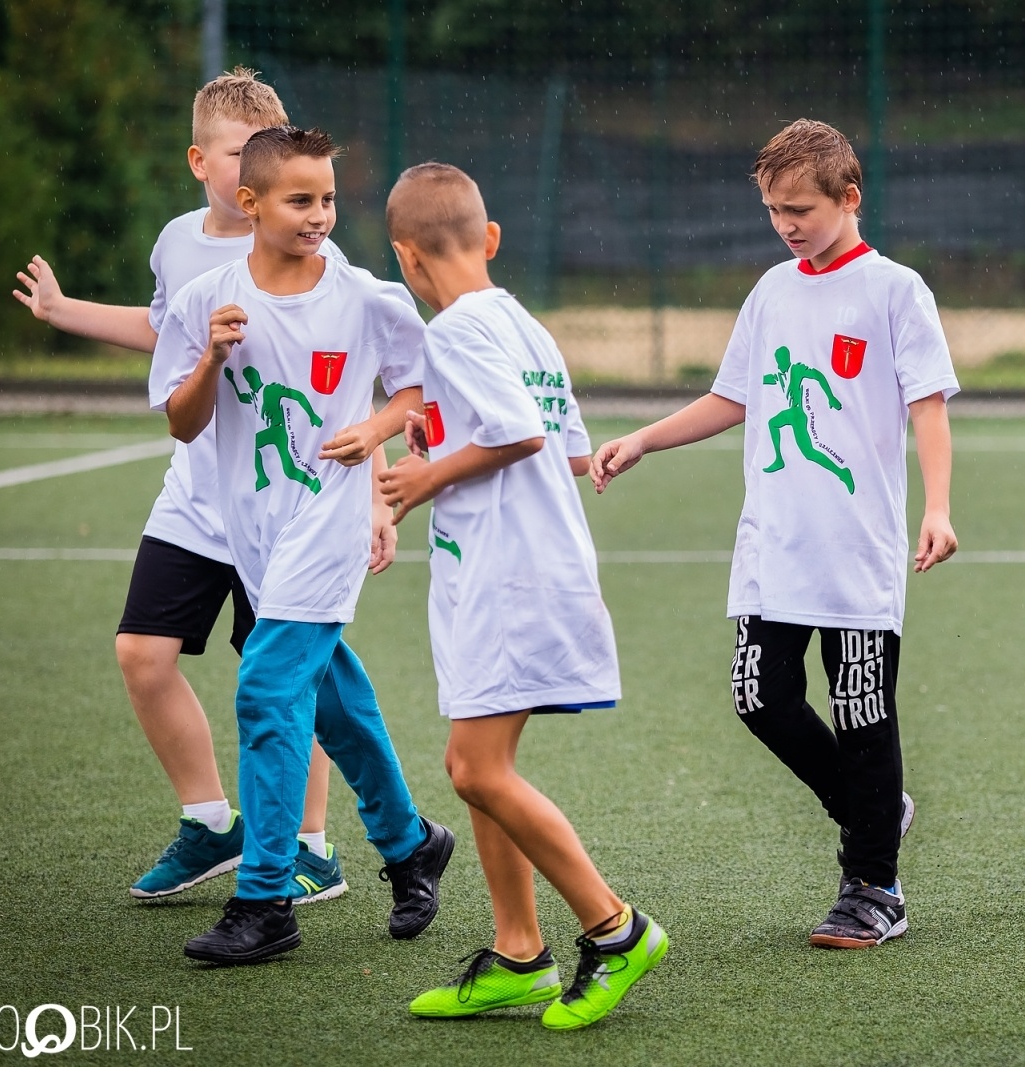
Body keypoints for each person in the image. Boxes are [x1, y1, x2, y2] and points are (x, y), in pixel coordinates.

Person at [590, 119, 958, 949]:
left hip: (857, 549)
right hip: (774, 544)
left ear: (849, 198)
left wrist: (937, 506)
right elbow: (734, 398)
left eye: (800, 208)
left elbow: (927, 405)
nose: (786, 224)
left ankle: (875, 887)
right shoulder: (772, 291)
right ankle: (874, 814)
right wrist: (645, 436)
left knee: (864, 712)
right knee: (760, 696)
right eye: (773, 210)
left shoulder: (896, 291)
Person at [10, 68, 375, 905]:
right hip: (197, 496)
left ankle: (311, 845)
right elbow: (163, 329)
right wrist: (65, 311)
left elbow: (354, 378)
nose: (259, 168)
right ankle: (211, 823)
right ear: (200, 162)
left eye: (270, 152)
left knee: (294, 674)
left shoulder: (314, 249)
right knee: (141, 654)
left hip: (284, 504)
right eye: (242, 152)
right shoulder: (179, 243)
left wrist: (378, 495)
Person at [153, 126, 452, 965]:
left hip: (328, 521)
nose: (319, 214)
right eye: (298, 200)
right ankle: (410, 842)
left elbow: (419, 389)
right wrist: (212, 356)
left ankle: (266, 897)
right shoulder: (205, 300)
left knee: (266, 688)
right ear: (248, 204)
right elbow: (183, 422)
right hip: (253, 528)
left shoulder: (363, 297)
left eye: (326, 198)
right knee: (330, 694)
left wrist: (376, 427)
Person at [377, 163, 666, 1029]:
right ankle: (517, 953)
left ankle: (616, 929)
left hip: (511, 576)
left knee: (475, 767)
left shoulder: (456, 331)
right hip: (504, 569)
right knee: (474, 769)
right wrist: (447, 436)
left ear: (403, 258)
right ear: (491, 238)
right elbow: (567, 450)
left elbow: (521, 434)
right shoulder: (524, 326)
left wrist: (424, 473)